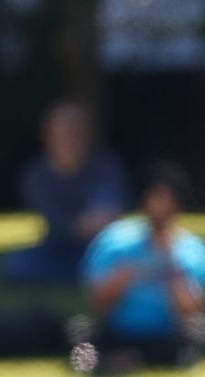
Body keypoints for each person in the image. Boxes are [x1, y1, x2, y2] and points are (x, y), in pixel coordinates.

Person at [70, 162, 205, 376]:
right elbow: (95, 302)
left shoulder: (191, 251)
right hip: (118, 331)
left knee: (196, 334)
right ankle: (112, 360)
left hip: (165, 335)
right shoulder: (115, 242)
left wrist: (170, 265)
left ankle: (133, 359)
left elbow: (192, 310)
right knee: (80, 333)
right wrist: (123, 277)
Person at [5, 101, 129, 284]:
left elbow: (114, 211)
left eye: (75, 131)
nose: (70, 138)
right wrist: (84, 224)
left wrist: (93, 223)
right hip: (57, 247)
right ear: (48, 135)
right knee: (17, 264)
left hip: (100, 248)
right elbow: (58, 224)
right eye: (63, 131)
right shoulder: (36, 174)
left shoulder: (107, 166)